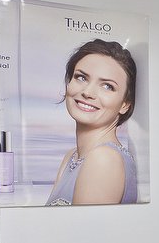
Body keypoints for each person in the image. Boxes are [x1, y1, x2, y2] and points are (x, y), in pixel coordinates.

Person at [46, 39, 139, 205]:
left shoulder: (104, 159)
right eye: (81, 77)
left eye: (107, 86)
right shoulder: (72, 157)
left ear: (125, 105)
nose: (88, 92)